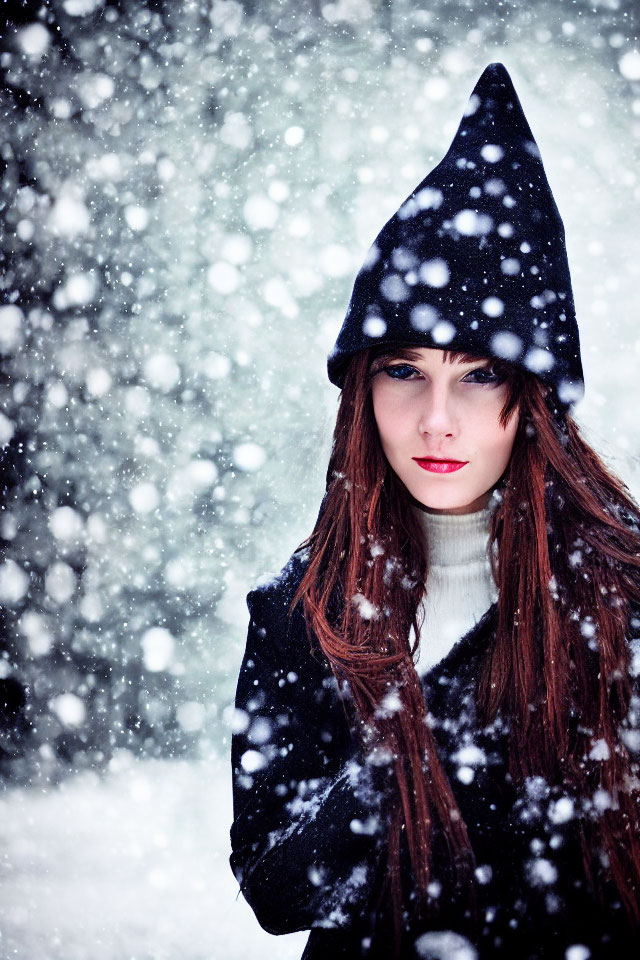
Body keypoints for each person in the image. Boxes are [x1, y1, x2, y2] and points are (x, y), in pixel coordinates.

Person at [228, 63, 640, 959]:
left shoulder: (625, 595)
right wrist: (412, 759)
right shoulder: (305, 609)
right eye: (404, 370)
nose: (438, 420)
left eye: (480, 373)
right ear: (361, 393)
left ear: (533, 400)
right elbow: (274, 883)